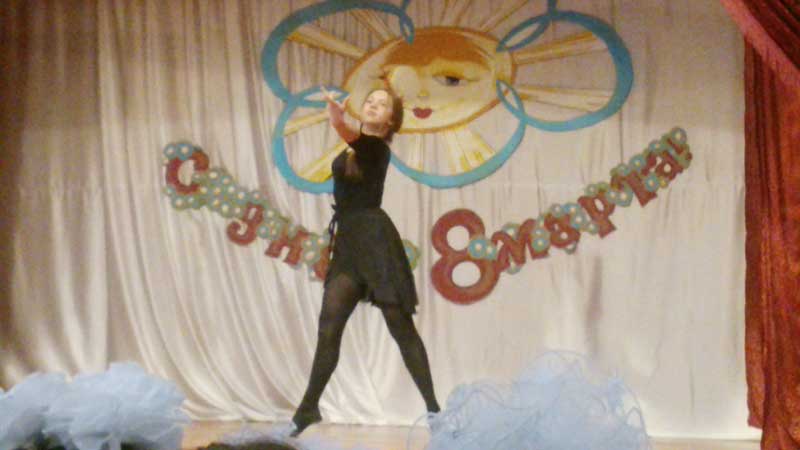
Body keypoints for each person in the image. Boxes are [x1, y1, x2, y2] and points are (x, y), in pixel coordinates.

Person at [290, 86, 441, 436]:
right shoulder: (354, 147)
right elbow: (348, 142)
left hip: (375, 242)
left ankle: (434, 412)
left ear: (390, 121)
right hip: (349, 244)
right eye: (370, 101)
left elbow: (348, 133)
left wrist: (335, 117)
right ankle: (307, 408)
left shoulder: (376, 148)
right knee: (329, 327)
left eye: (382, 104)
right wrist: (340, 121)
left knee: (400, 327)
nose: (373, 105)